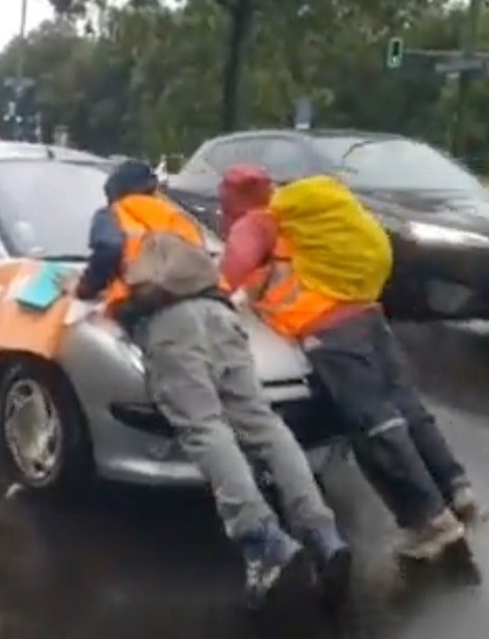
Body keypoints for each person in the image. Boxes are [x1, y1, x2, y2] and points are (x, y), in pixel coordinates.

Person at [74, 160, 350, 606]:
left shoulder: (115, 213)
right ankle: (323, 532)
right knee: (261, 422)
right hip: (221, 315)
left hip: (169, 322)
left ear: (115, 193)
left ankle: (264, 541)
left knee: (205, 427)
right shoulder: (178, 215)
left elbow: (107, 253)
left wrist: (85, 292)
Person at [218, 164, 488, 561]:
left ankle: (430, 522)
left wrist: (206, 292)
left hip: (328, 328)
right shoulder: (306, 218)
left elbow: (230, 272)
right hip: (366, 312)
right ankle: (456, 489)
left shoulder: (257, 223)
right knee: (406, 406)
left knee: (374, 424)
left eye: (224, 204)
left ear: (234, 200)